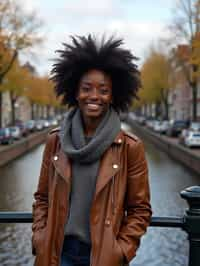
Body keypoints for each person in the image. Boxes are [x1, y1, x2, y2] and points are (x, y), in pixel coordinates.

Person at [32, 35, 152, 266]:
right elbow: (42, 198)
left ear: (113, 96)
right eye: (87, 88)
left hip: (102, 258)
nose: (94, 96)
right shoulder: (55, 141)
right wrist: (40, 236)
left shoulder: (130, 147)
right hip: (58, 253)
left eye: (103, 90)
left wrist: (120, 251)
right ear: (75, 92)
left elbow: (140, 210)